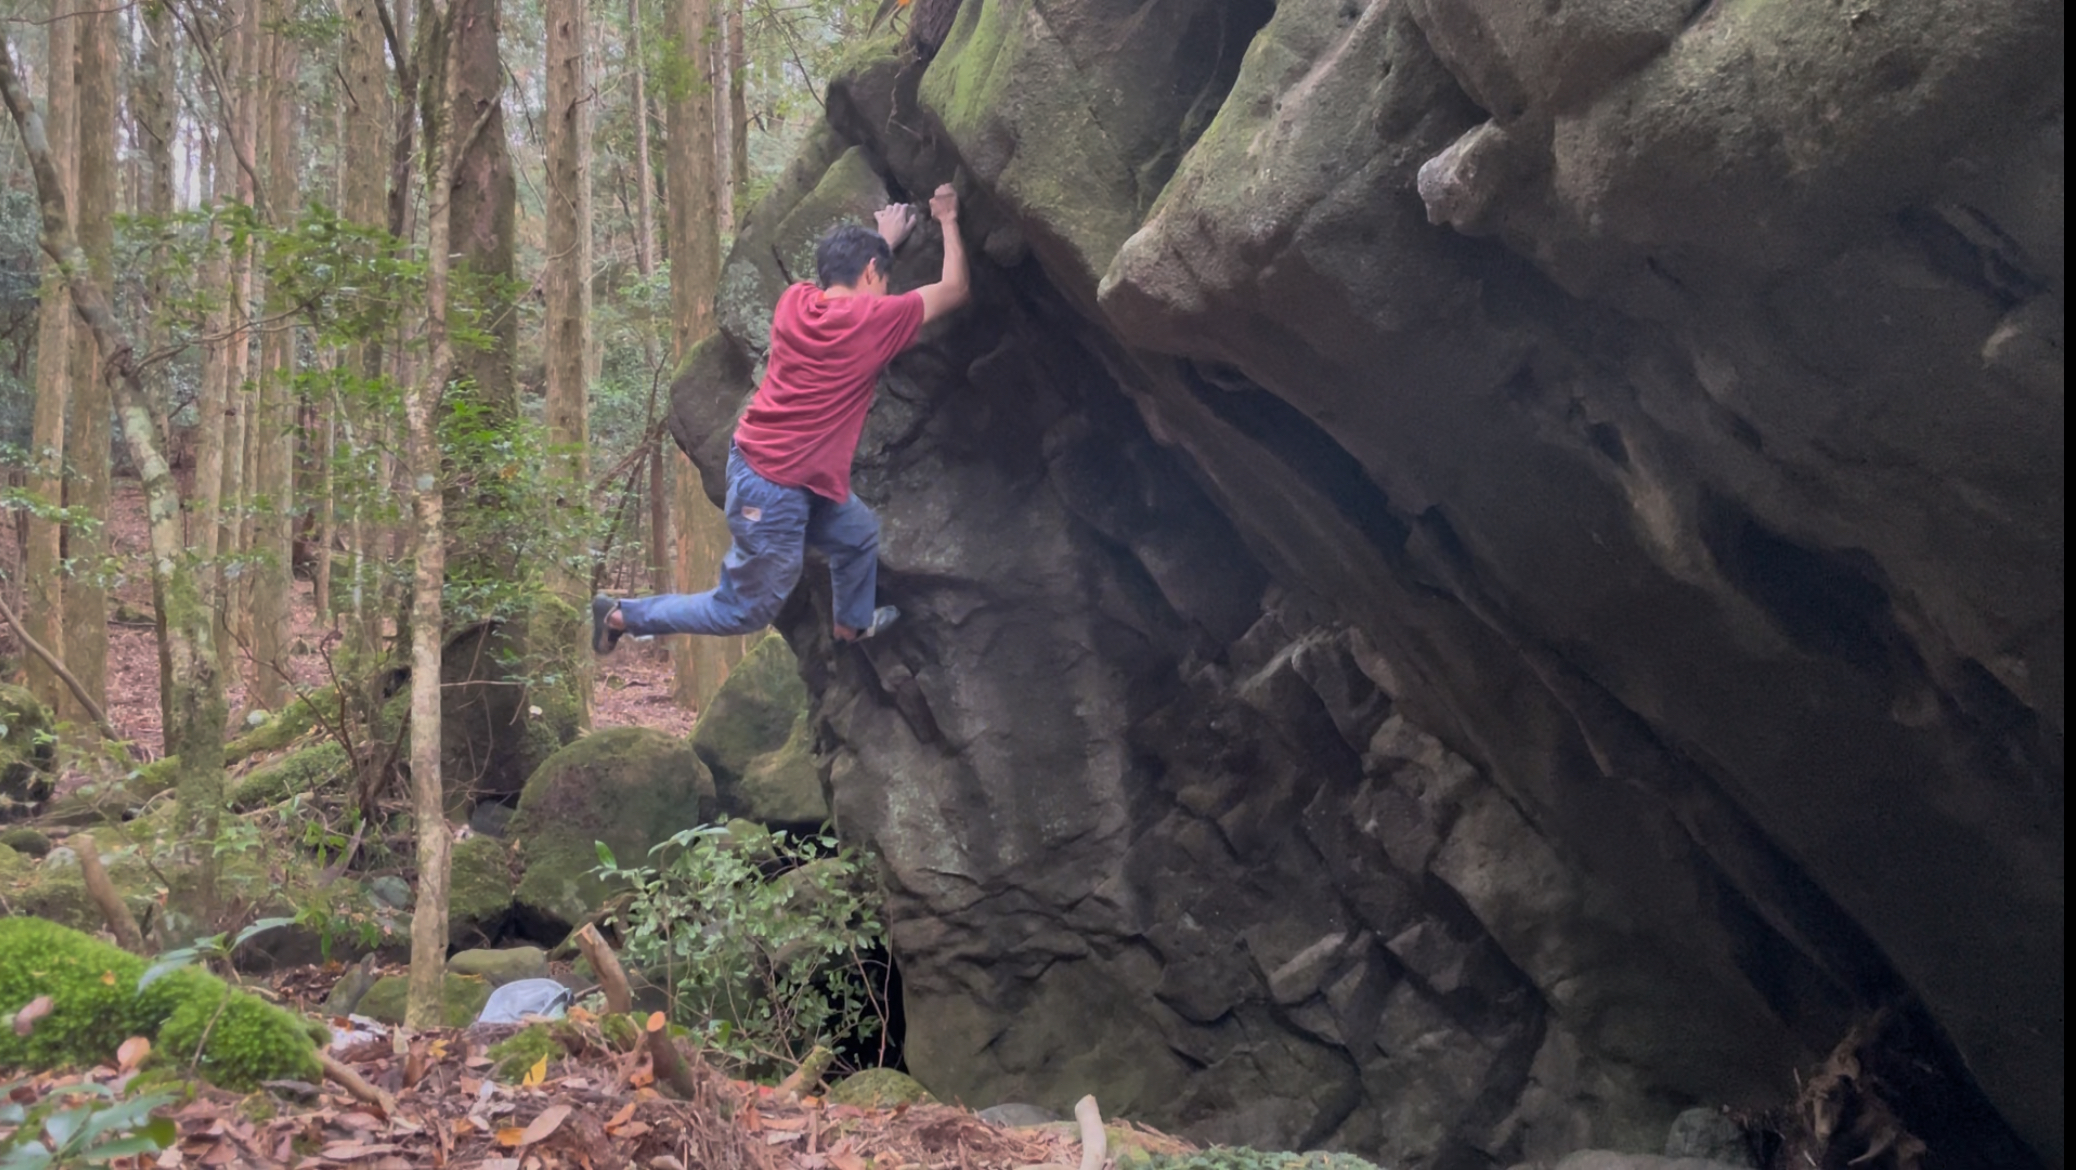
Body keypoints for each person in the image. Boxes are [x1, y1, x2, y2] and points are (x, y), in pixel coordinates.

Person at [592, 182, 969, 655]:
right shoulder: (874, 322)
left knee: (856, 532)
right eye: (883, 279)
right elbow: (955, 288)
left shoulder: (795, 301)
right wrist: (948, 218)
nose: (887, 292)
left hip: (777, 469)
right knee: (742, 610)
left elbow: (842, 287)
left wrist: (880, 244)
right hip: (773, 490)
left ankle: (851, 625)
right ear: (872, 272)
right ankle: (621, 615)